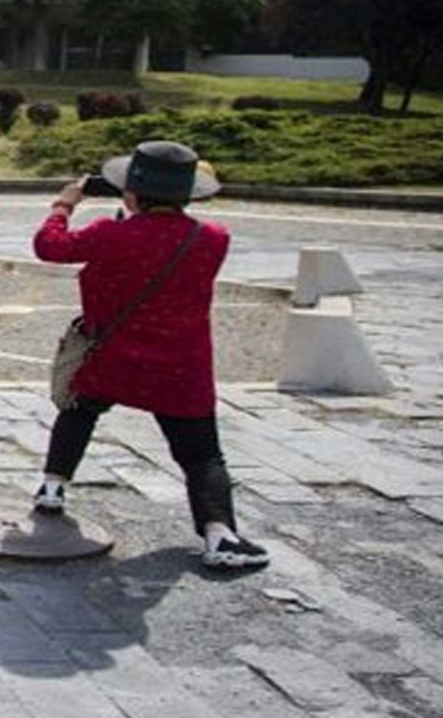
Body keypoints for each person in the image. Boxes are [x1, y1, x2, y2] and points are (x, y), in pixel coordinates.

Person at [33, 140, 269, 570]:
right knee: (202, 455)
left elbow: (50, 246)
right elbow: (157, 250)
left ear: (132, 192)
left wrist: (64, 204)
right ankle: (220, 535)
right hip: (181, 369)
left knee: (79, 410)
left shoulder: (109, 233)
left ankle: (52, 488)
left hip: (110, 359)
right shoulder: (212, 239)